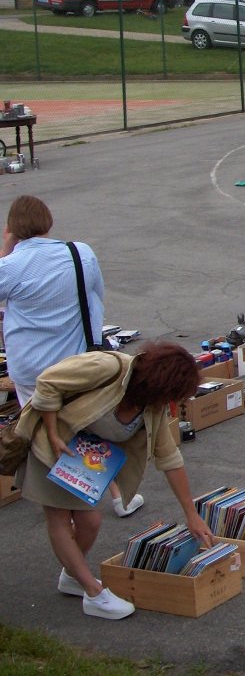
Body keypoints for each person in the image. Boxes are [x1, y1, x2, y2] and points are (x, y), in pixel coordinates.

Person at [12, 343, 215, 620]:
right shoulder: (107, 368)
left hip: (83, 461)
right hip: (51, 446)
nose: (173, 404)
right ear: (158, 385)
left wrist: (192, 515)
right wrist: (52, 433)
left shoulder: (151, 406)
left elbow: (169, 457)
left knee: (90, 522)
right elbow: (48, 383)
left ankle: (73, 575)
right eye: (173, 396)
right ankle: (93, 592)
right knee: (59, 518)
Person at [0, 196, 139, 518]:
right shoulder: (80, 253)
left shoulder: (11, 265)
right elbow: (95, 298)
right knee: (82, 425)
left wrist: (7, 247)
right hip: (75, 361)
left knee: (44, 430)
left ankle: (69, 497)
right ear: (47, 221)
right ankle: (116, 495)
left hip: (30, 366)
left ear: (13, 229)